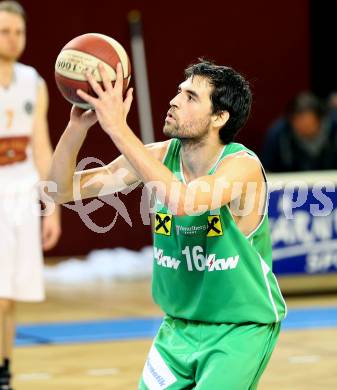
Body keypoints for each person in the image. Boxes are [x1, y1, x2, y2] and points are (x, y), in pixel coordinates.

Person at [49, 59, 287, 389]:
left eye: (190, 97)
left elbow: (184, 203)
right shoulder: (159, 156)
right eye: (178, 92)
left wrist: (117, 127)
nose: (174, 101)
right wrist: (77, 128)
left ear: (219, 117)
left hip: (238, 329)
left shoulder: (241, 166)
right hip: (177, 330)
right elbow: (60, 190)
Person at [0, 2, 61, 389]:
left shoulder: (33, 82)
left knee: (13, 291)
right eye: (5, 31)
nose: (13, 39)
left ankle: (5, 366)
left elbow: (41, 147)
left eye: (18, 32)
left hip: (21, 192)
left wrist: (51, 207)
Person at [261, 92, 337, 172]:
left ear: (320, 120)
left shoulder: (334, 129)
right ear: (291, 120)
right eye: (299, 123)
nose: (304, 128)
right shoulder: (278, 134)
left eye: (309, 125)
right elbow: (266, 169)